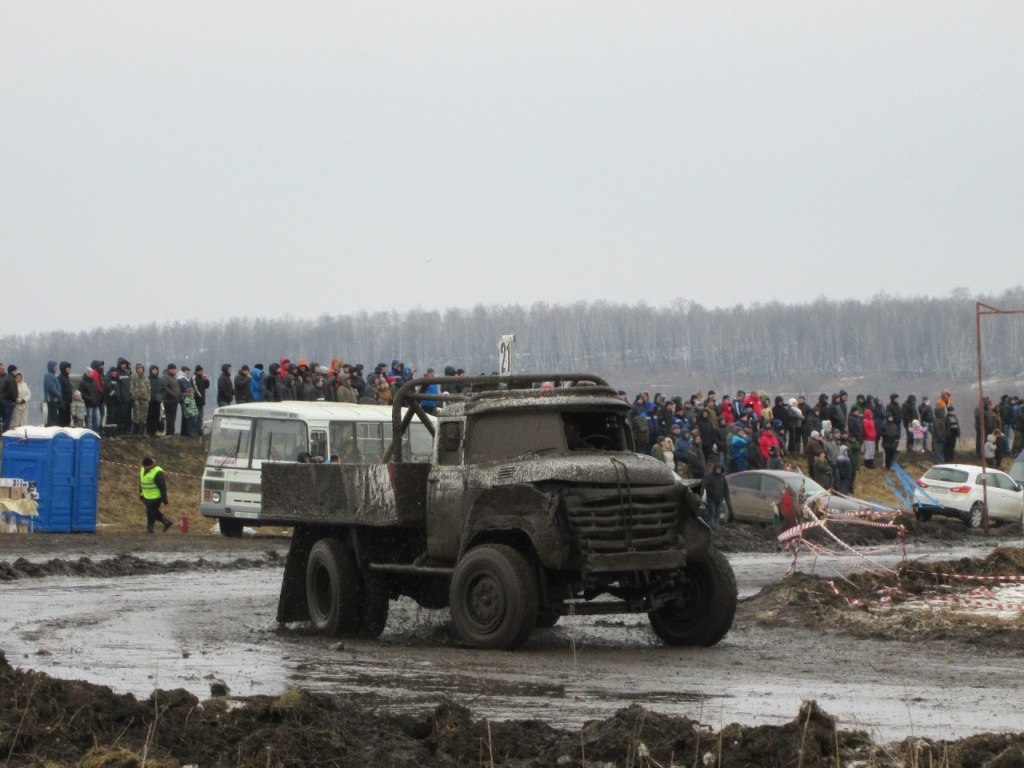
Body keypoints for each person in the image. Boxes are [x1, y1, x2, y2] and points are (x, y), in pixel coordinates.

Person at [139, 457, 174, 533]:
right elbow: (141, 482)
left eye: (146, 466)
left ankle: (150, 528)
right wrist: (141, 494)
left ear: (151, 465)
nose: (145, 467)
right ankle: (167, 522)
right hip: (147, 495)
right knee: (154, 512)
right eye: (144, 466)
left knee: (150, 512)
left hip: (156, 496)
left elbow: (162, 486)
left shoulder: (157, 472)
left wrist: (164, 498)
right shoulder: (142, 470)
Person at [43, 360, 62, 427]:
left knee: (53, 415)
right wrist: (58, 394)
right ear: (51, 367)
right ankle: (51, 426)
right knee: (52, 415)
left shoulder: (52, 375)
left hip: (53, 399)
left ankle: (52, 425)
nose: (56, 368)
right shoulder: (49, 375)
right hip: (51, 399)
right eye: (55, 367)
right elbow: (50, 387)